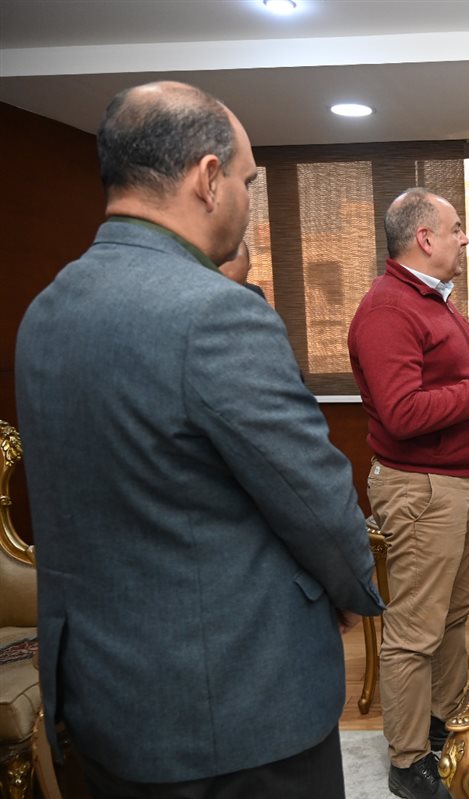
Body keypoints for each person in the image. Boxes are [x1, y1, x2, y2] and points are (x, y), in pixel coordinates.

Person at [14, 81, 383, 797]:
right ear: (208, 178)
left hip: (102, 703)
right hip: (234, 711)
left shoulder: (47, 309)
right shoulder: (217, 313)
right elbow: (315, 502)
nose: (247, 200)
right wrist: (348, 588)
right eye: (247, 181)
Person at [347, 188, 469, 799]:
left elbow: (446, 391)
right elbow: (403, 413)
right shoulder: (388, 309)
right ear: (424, 238)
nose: (465, 238)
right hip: (423, 489)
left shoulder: (434, 300)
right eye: (455, 228)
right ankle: (408, 763)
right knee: (415, 631)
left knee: (452, 618)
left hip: (461, 481)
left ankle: (442, 727)